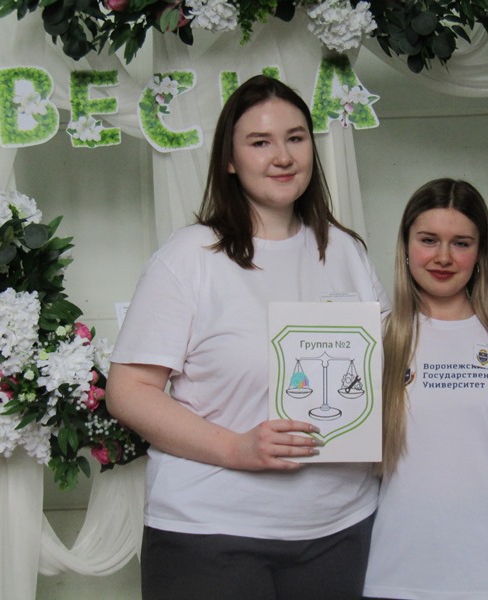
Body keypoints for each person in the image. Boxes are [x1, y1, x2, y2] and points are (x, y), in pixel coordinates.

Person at [106, 74, 390, 600]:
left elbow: (382, 373)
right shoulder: (189, 257)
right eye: (260, 142)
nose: (282, 156)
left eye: (295, 138)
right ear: (230, 160)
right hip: (210, 531)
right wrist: (235, 448)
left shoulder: (346, 252)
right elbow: (128, 392)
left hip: (341, 528)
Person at [363, 178, 488, 600]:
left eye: (461, 243)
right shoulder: (376, 338)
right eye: (428, 240)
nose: (443, 257)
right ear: (406, 246)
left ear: (481, 253)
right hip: (395, 573)